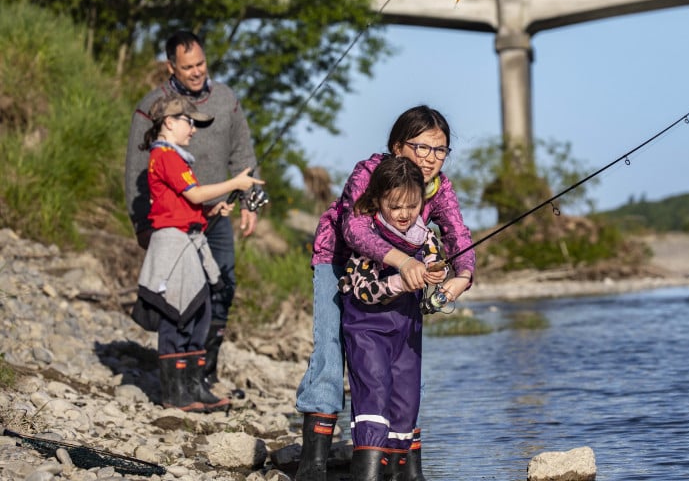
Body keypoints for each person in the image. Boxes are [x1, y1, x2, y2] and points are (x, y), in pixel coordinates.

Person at [289, 105, 475, 481]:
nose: (429, 158)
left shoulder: (441, 189)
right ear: (397, 146)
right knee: (330, 350)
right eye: (420, 147)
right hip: (338, 260)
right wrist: (404, 262)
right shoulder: (368, 172)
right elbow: (354, 229)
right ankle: (313, 465)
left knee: (402, 361)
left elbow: (458, 234)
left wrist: (463, 276)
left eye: (439, 150)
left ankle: (398, 462)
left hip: (397, 276)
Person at [124, 30, 264, 387]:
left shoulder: (226, 99)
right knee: (182, 293)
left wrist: (249, 201)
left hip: (216, 215)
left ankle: (205, 368)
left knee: (223, 285)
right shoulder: (156, 106)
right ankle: (182, 372)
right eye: (188, 67)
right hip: (175, 221)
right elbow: (135, 168)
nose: (197, 71)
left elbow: (243, 153)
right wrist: (140, 222)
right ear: (172, 66)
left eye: (200, 63)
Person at [339, 156, 447, 480]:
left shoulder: (425, 236)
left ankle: (399, 472)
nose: (403, 214)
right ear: (378, 201)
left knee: (406, 399)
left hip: (407, 332)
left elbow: (438, 263)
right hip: (366, 330)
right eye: (395, 206)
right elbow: (363, 290)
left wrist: (437, 278)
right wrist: (400, 280)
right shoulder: (368, 238)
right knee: (375, 391)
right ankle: (368, 473)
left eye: (411, 207)